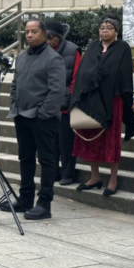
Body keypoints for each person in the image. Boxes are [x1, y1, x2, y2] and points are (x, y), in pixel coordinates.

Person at [1, 19, 66, 220]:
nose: (29, 35)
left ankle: (44, 203)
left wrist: (42, 113)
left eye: (34, 31)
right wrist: (15, 106)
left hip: (42, 118)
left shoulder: (53, 59)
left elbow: (56, 91)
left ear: (43, 34)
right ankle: (25, 198)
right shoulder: (21, 57)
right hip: (21, 115)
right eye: (27, 32)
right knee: (25, 158)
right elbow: (15, 85)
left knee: (46, 160)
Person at [70, 15, 134, 197]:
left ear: (116, 31)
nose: (104, 30)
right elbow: (83, 71)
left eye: (109, 27)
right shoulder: (92, 47)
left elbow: (122, 74)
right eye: (102, 27)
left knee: (111, 141)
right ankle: (94, 176)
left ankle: (113, 179)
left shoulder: (122, 48)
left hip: (112, 100)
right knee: (90, 136)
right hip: (90, 99)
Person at [45, 21, 82, 186]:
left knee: (66, 142)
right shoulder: (41, 50)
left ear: (58, 38)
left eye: (50, 38)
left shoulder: (72, 50)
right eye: (45, 38)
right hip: (46, 104)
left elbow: (77, 78)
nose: (48, 42)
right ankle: (53, 172)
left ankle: (68, 173)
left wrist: (70, 99)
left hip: (65, 105)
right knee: (50, 143)